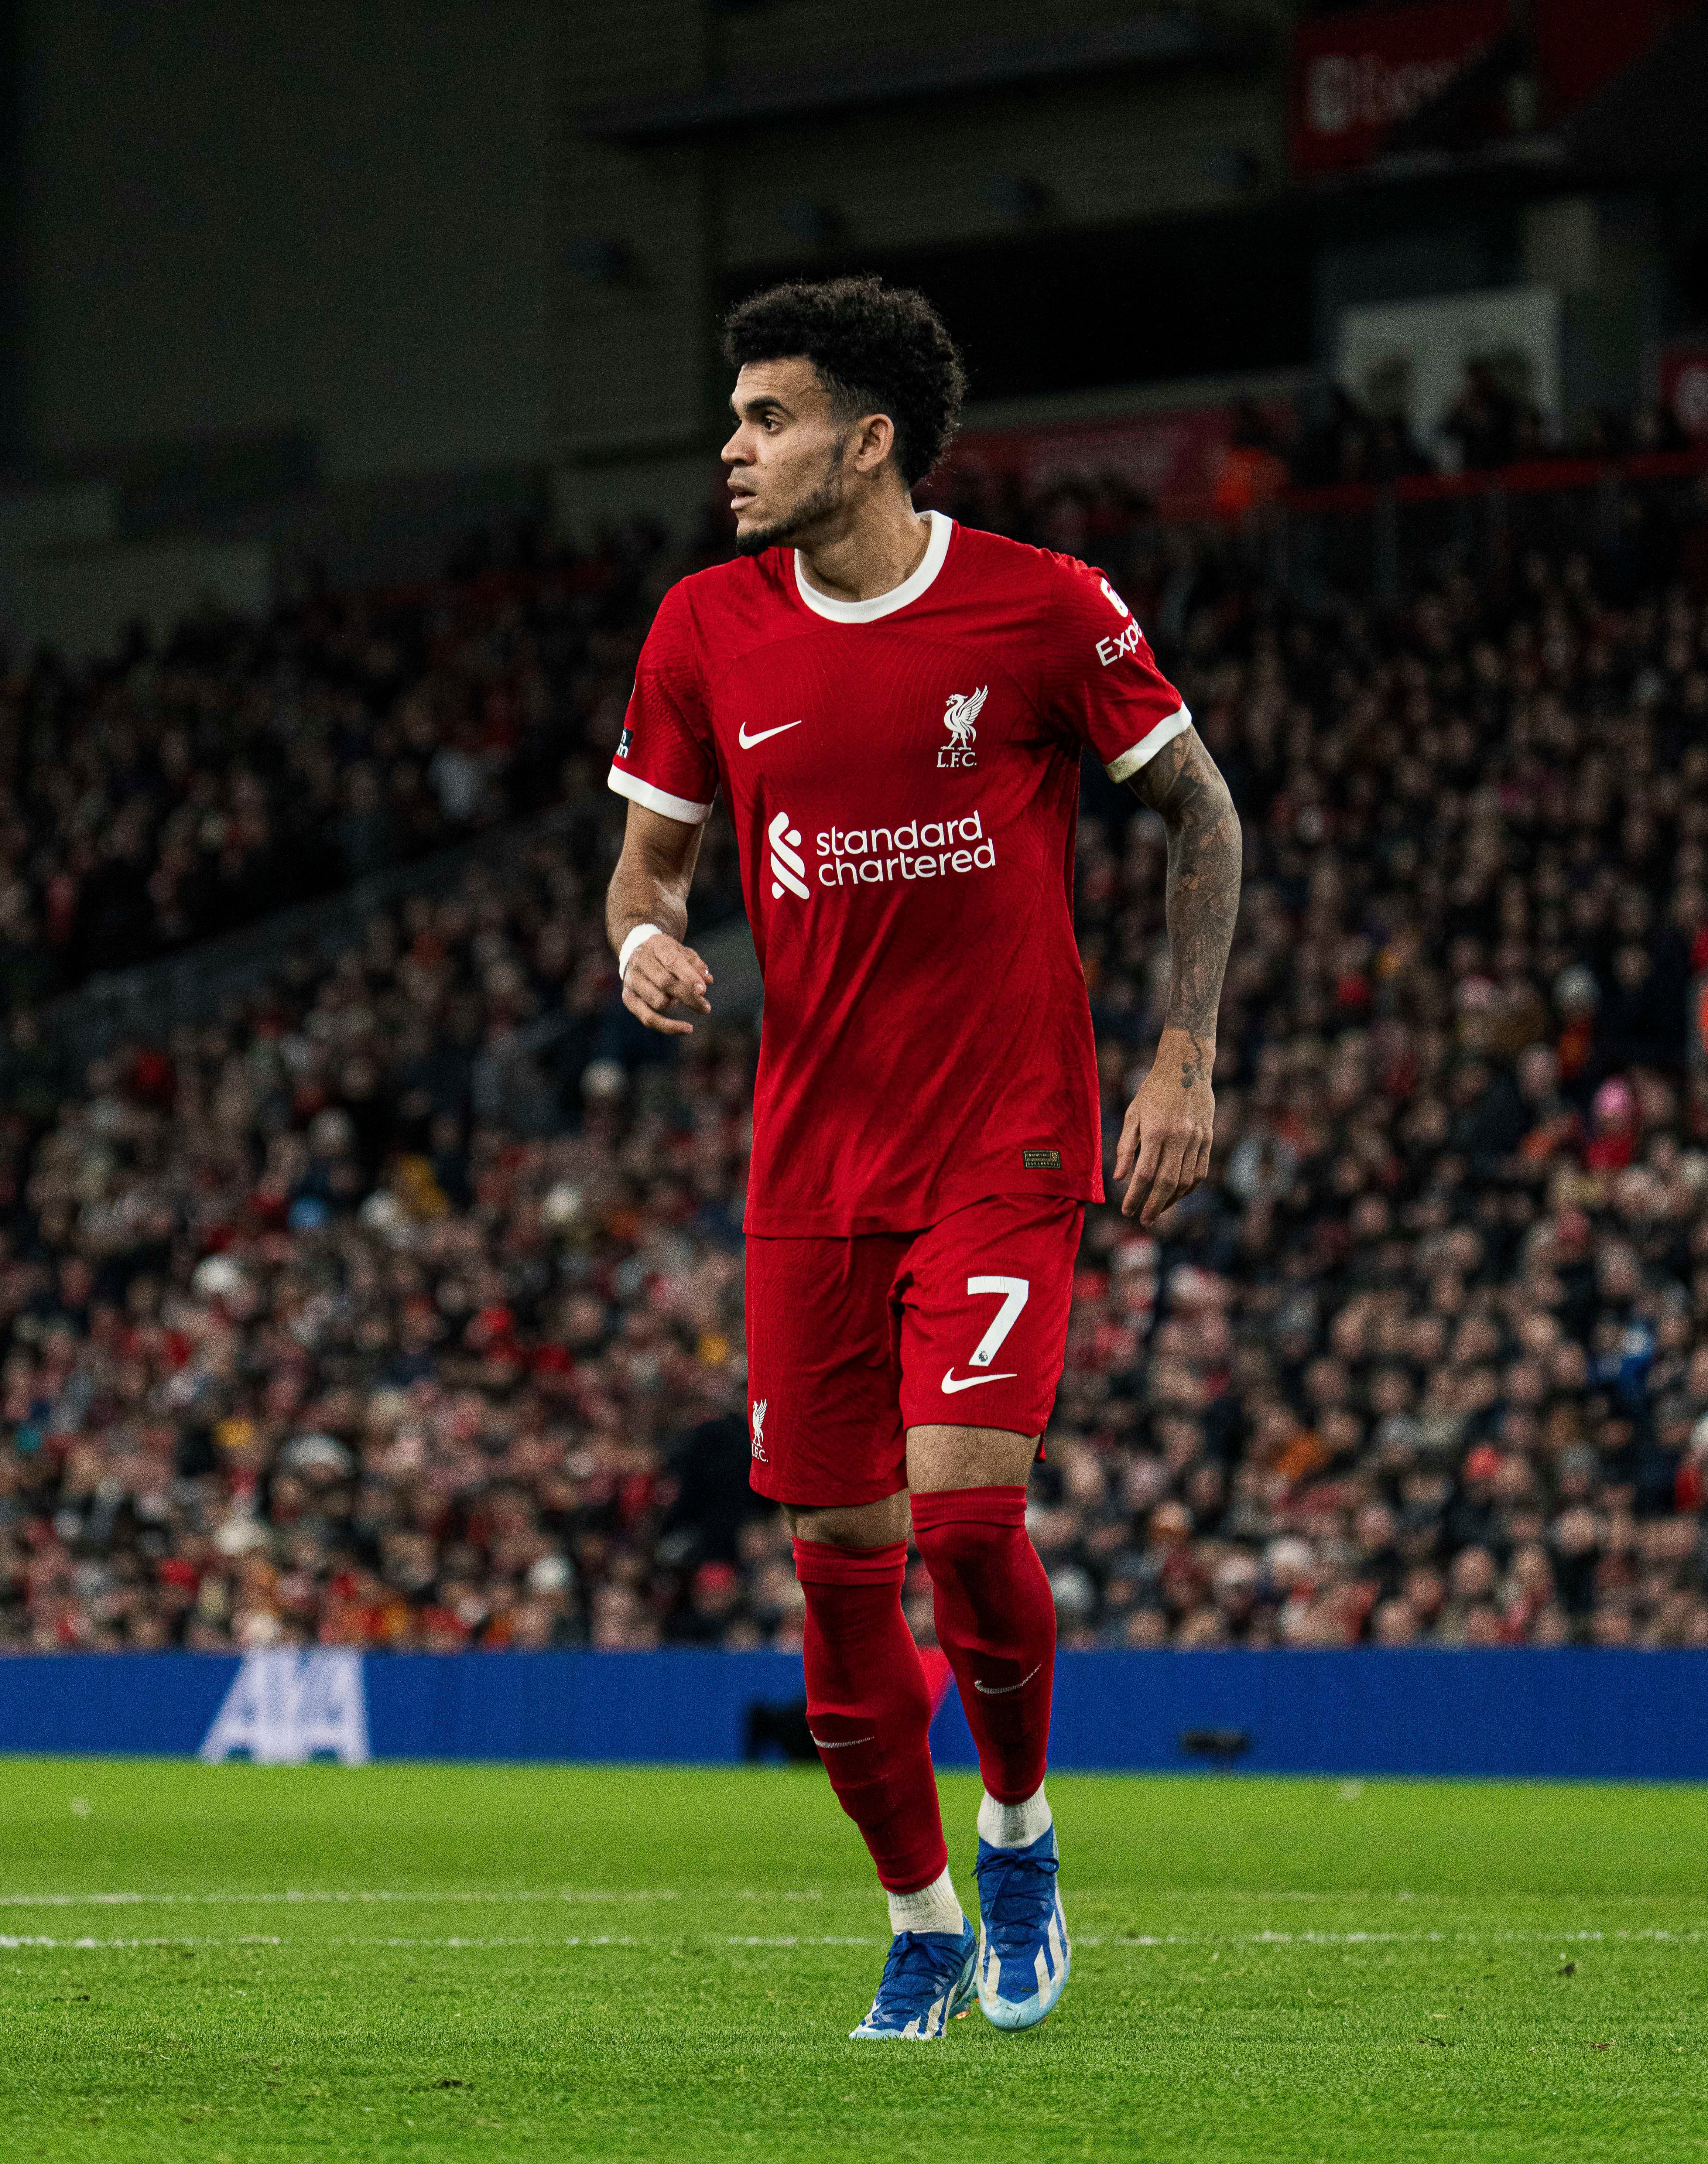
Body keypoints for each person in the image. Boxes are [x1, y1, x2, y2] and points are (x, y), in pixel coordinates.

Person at [605, 276, 1241, 2039]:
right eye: (732, 419)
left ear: (864, 441)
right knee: (833, 1562)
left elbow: (1201, 807)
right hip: (810, 1164)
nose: (730, 451)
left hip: (1002, 1130)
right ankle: (916, 1917)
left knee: (964, 1520)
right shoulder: (701, 628)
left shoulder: (1040, 610)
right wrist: (638, 940)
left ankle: (1021, 1829)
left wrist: (1181, 1056)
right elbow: (645, 869)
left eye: (766, 419)